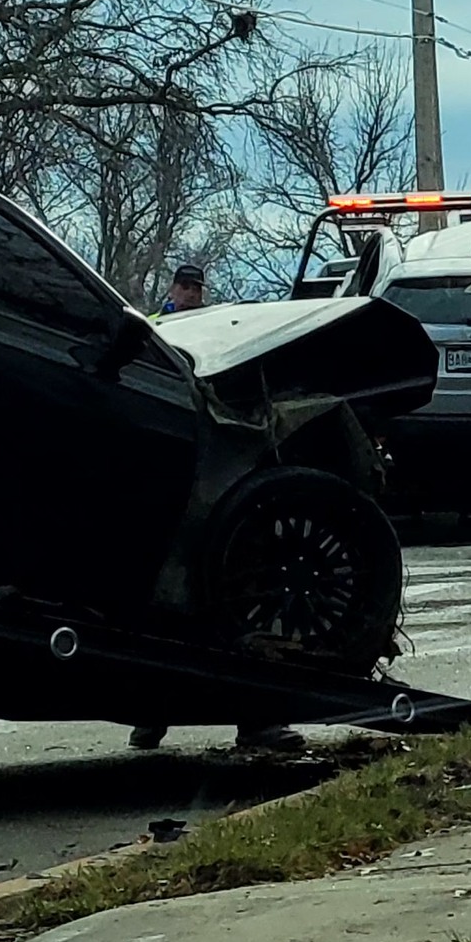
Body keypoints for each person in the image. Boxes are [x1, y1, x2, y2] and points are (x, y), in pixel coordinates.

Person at [134, 261, 308, 754]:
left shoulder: (215, 332)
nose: (190, 294)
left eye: (196, 288)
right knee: (186, 610)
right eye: (184, 287)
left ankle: (249, 722)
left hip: (209, 488)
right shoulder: (157, 327)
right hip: (183, 480)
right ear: (171, 288)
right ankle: (152, 717)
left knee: (224, 609)